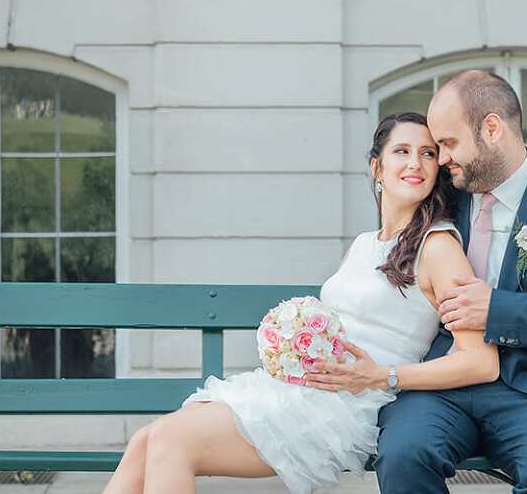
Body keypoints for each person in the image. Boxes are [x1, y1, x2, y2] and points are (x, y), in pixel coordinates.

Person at [102, 112, 499, 494]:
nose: (415, 163)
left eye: (428, 153)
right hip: (299, 388)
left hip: (345, 406)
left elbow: (481, 361)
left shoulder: (439, 247)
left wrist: (383, 376)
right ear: (377, 168)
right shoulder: (364, 244)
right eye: (402, 151)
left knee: (171, 441)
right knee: (145, 441)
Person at [360, 70, 527, 494]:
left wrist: (497, 311)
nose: (440, 159)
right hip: (445, 384)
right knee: (402, 455)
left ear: (491, 128)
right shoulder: (446, 196)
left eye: (448, 143)